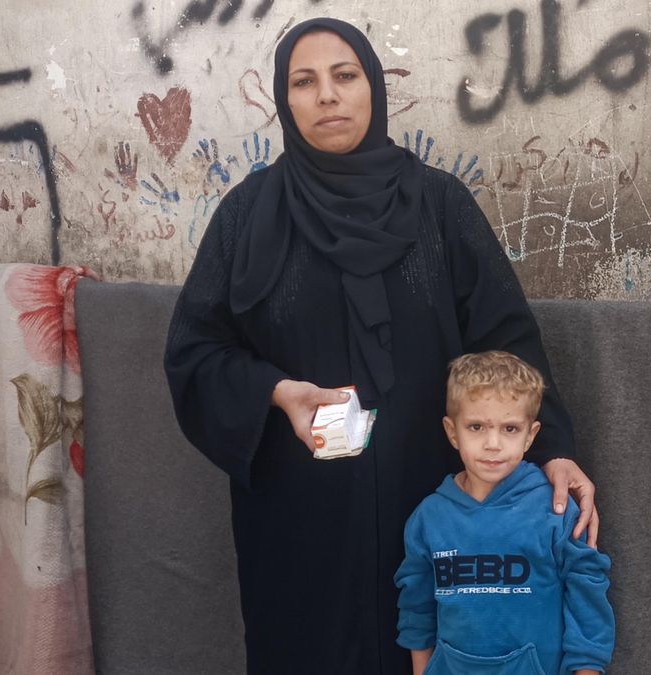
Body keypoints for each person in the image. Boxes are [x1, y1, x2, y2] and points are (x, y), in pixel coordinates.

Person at [163, 17, 599, 674]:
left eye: (345, 75)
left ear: (374, 85)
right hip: (300, 517)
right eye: (304, 82)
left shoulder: (438, 206)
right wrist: (277, 393)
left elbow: (506, 339)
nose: (327, 95)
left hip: (436, 505)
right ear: (284, 99)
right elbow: (195, 352)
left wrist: (554, 449)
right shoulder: (248, 217)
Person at [395, 352, 615, 675]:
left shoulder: (555, 510)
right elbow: (416, 608)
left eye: (510, 428)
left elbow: (587, 600)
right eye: (476, 426)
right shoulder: (428, 518)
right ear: (452, 432)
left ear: (531, 435)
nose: (493, 443)